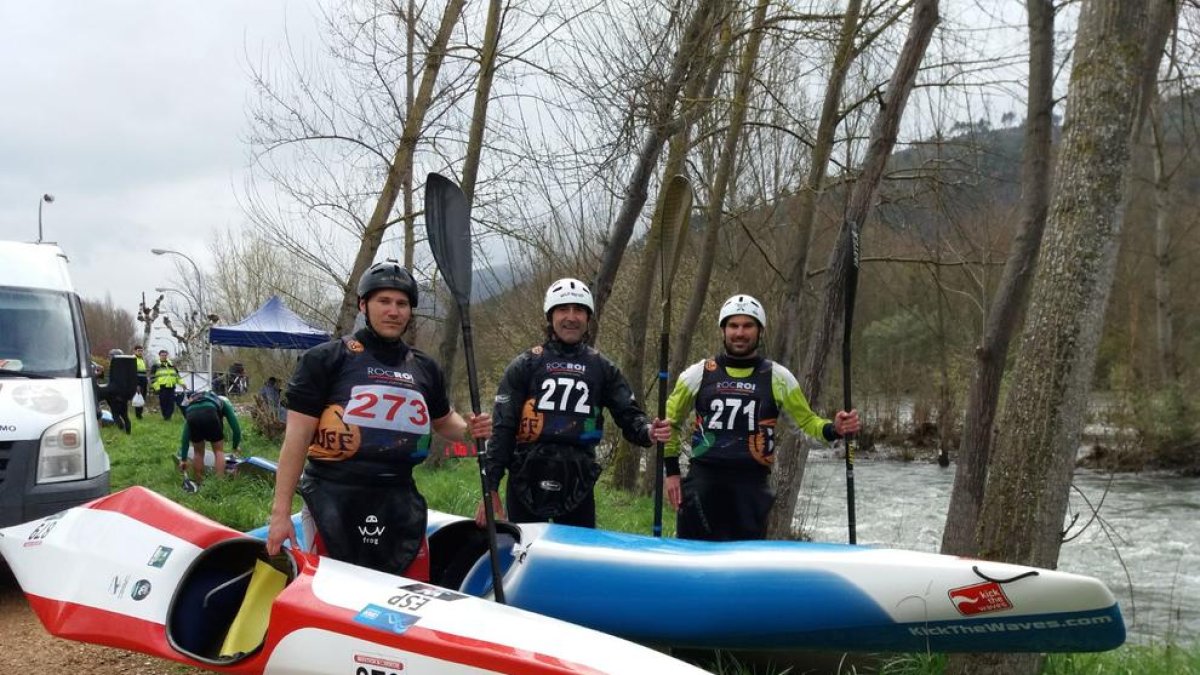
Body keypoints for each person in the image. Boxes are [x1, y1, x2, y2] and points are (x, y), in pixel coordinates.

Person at [265, 260, 492, 580]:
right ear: (363, 304)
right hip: (334, 499)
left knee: (409, 600)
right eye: (383, 301)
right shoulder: (326, 359)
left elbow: (444, 422)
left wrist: (471, 431)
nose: (393, 311)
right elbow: (296, 440)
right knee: (335, 603)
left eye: (402, 304)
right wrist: (280, 514)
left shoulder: (424, 368)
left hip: (399, 500)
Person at [475, 278, 671, 529]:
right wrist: (490, 487)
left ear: (588, 318)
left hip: (578, 481)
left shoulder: (602, 367)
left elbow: (629, 415)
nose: (571, 317)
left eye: (578, 310)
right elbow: (503, 430)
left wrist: (649, 430)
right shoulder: (525, 365)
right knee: (524, 555)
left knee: (575, 560)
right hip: (525, 477)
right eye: (563, 309)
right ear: (550, 316)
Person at [662, 294, 861, 541]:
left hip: (751, 489)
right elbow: (668, 424)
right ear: (723, 331)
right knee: (693, 565)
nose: (740, 333)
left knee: (742, 569)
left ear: (760, 331)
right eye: (733, 326)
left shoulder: (778, 377)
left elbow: (806, 423)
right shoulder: (697, 374)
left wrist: (835, 429)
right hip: (703, 485)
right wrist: (671, 472)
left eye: (748, 326)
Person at [178, 390, 241, 492]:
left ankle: (199, 483)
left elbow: (185, 436)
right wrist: (235, 447)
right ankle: (219, 484)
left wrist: (183, 459)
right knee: (218, 451)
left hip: (191, 414)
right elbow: (236, 428)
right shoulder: (224, 403)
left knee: (198, 452)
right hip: (210, 412)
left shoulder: (194, 404)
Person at [102, 348, 132, 434]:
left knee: (115, 415)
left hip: (116, 395)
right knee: (125, 416)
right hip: (123, 395)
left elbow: (114, 382)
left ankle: (122, 431)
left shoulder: (116, 367)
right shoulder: (125, 367)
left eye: (111, 356)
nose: (110, 358)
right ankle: (128, 433)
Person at [150, 349, 183, 420]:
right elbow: (152, 378)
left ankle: (168, 417)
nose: (164, 357)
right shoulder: (156, 365)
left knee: (171, 403)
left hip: (171, 387)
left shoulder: (171, 365)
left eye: (165, 355)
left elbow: (177, 376)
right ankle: (165, 416)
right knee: (163, 403)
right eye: (162, 355)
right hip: (162, 387)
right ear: (159, 356)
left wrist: (182, 383)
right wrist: (157, 387)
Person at [132, 344, 148, 419]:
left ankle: (140, 413)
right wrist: (136, 384)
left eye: (141, 351)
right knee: (138, 397)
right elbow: (133, 372)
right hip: (137, 382)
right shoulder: (133, 359)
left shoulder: (142, 359)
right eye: (139, 351)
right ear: (135, 351)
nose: (140, 352)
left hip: (144, 381)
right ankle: (138, 415)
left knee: (142, 397)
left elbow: (143, 372)